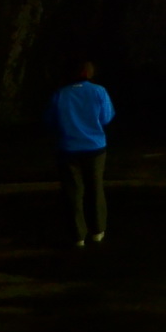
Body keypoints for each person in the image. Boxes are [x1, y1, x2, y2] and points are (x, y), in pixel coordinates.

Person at [45, 60, 115, 248]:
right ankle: (97, 231)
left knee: (72, 192)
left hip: (68, 148)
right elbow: (106, 117)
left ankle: (78, 235)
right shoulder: (99, 91)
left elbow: (50, 121)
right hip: (95, 147)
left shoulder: (60, 94)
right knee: (95, 188)